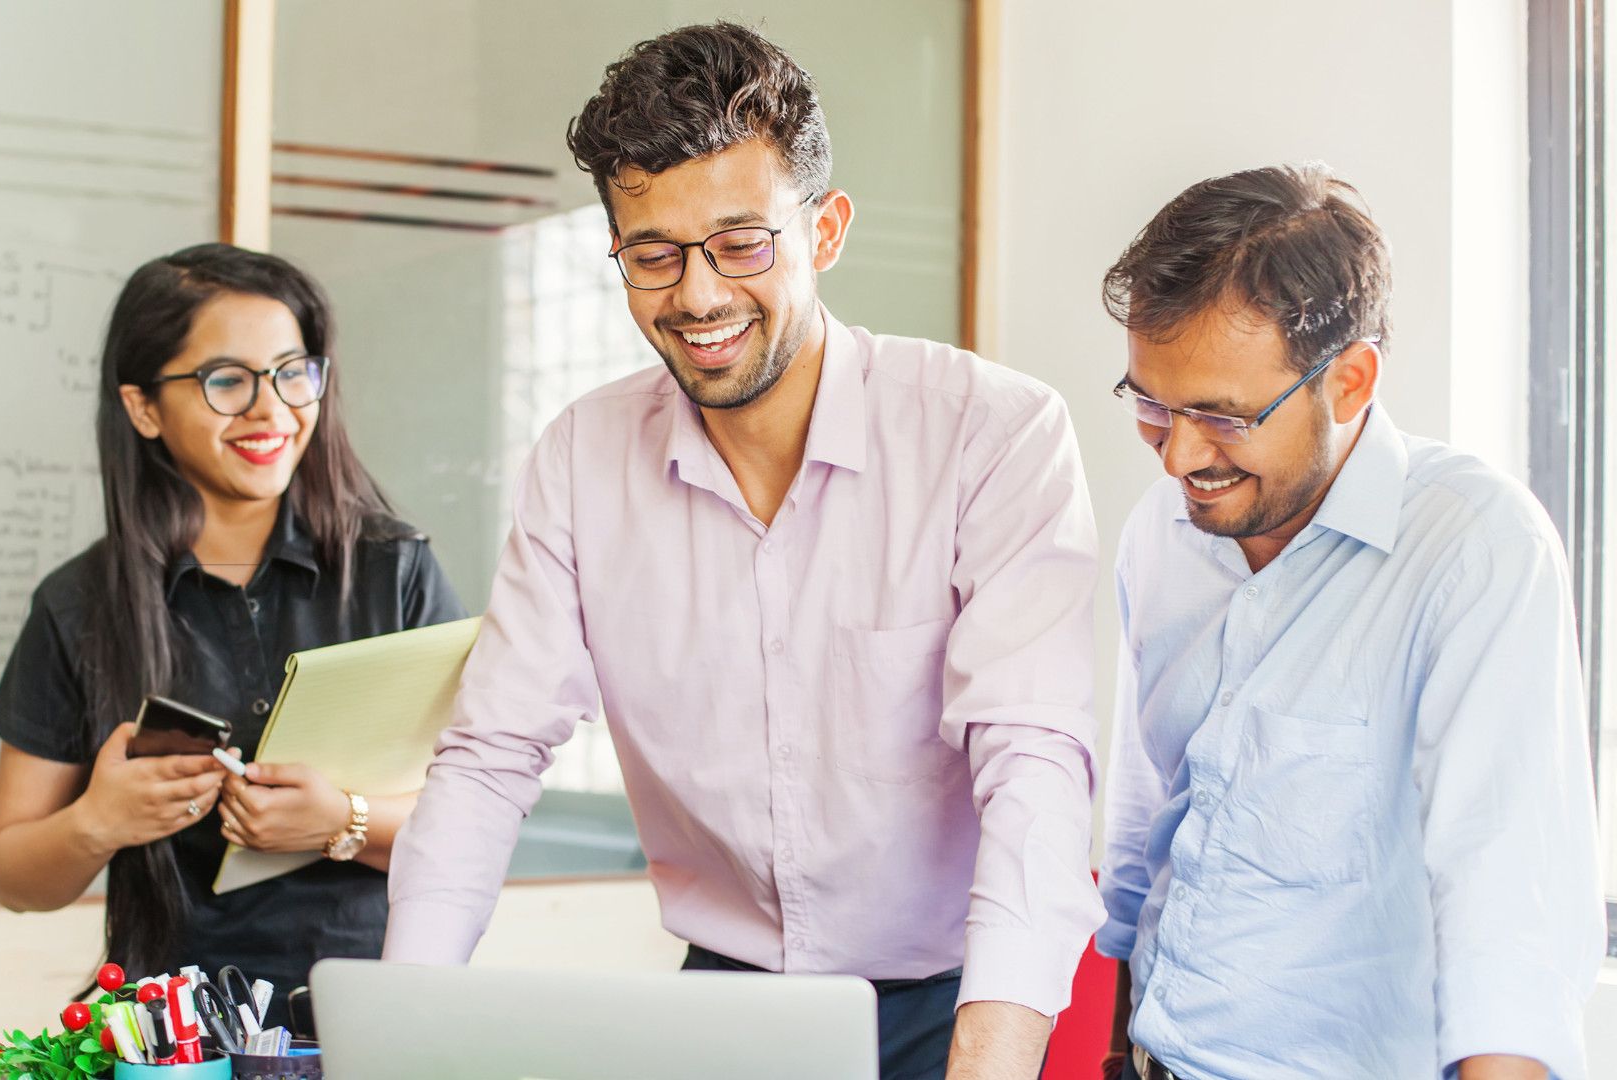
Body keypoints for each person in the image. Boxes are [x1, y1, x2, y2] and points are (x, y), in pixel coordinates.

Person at [382, 23, 1102, 1080]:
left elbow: (1033, 762)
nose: (700, 295)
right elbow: (492, 757)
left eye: (742, 243)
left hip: (957, 997)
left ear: (828, 229)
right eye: (653, 254)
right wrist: (403, 1031)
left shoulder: (990, 433)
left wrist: (987, 1060)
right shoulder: (584, 457)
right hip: (725, 1004)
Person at [1095, 164, 1607, 1080]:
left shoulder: (1474, 549)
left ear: (1352, 381)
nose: (1178, 454)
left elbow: (1507, 912)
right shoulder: (1159, 533)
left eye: (1222, 414)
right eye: (1151, 404)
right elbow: (1146, 822)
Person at [0, 243, 465, 993]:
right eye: (227, 381)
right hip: (169, 1032)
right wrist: (96, 823)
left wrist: (344, 819)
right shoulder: (79, 602)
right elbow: (15, 876)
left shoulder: (393, 570)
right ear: (143, 407)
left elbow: (477, 820)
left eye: (291, 372)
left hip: (371, 1011)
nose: (271, 408)